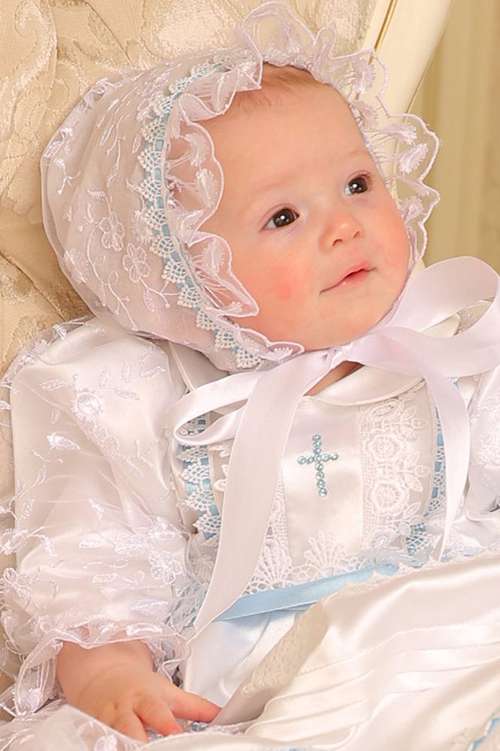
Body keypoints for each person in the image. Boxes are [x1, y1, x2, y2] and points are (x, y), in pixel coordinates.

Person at [1, 2, 500, 749]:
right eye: (282, 217)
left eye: (359, 183)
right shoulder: (145, 395)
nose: (344, 224)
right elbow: (92, 563)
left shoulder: (448, 354)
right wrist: (112, 674)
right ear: (178, 276)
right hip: (257, 689)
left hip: (436, 639)